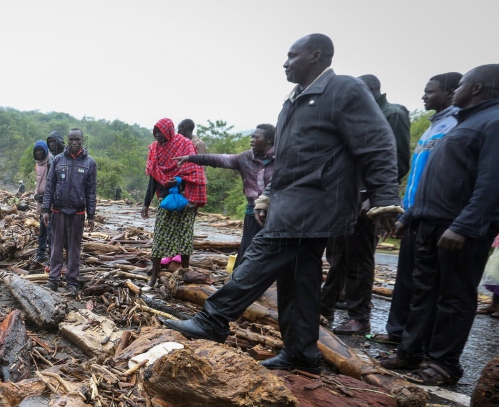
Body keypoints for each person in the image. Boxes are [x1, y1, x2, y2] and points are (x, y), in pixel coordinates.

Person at [166, 33, 400, 374]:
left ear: (316, 56)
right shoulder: (294, 102)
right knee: (299, 278)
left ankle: (213, 320)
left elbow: (377, 144)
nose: (285, 62)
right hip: (292, 199)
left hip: (315, 203)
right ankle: (302, 352)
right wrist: (268, 195)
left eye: (292, 56)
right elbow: (288, 161)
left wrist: (385, 199)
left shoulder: (344, 91)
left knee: (260, 257)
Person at [377, 64, 499, 384]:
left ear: (476, 88)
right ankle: (411, 352)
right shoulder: (463, 121)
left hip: (458, 226)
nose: (455, 89)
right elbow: (435, 178)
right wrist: (410, 215)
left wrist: (464, 226)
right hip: (429, 221)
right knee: (423, 292)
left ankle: (445, 364)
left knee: (454, 296)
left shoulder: (494, 121)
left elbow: (492, 183)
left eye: (462, 85)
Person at [371, 72, 463, 344]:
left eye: (430, 91)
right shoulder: (433, 126)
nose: (424, 96)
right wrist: (406, 211)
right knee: (408, 279)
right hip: (416, 210)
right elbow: (417, 175)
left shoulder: (458, 124)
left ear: (450, 93)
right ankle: (398, 333)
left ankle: (422, 345)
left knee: (433, 285)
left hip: (441, 213)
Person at [319, 75, 412, 335]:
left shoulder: (391, 113)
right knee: (337, 256)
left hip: (365, 199)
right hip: (345, 197)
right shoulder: (357, 116)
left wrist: (378, 196)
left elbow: (396, 160)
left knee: (358, 258)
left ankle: (360, 317)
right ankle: (324, 307)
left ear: (367, 91)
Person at [175, 124, 275, 269]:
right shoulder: (245, 158)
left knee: (273, 249)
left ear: (269, 140)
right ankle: (242, 281)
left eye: (256, 137)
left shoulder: (282, 160)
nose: (252, 139)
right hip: (253, 211)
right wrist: (191, 158)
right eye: (251, 136)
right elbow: (218, 159)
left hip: (277, 212)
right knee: (249, 248)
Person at [141, 119, 207, 285]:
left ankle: (184, 273)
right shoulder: (154, 149)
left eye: (160, 131)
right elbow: (153, 179)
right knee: (160, 237)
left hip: (185, 199)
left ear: (169, 131)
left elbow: (194, 172)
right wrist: (146, 204)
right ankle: (154, 278)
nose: (157, 135)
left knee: (184, 236)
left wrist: (178, 180)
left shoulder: (185, 145)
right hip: (165, 200)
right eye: (155, 131)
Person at [42, 128, 97, 294]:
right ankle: (53, 279)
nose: (74, 142)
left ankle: (72, 282)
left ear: (82, 141)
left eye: (77, 140)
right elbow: (50, 185)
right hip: (58, 211)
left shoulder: (90, 163)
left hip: (78, 213)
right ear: (67, 140)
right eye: (71, 139)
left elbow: (91, 190)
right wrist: (46, 209)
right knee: (55, 246)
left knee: (74, 249)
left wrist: (91, 215)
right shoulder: (58, 160)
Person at [32, 140, 53, 262]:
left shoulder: (51, 161)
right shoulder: (38, 164)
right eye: (37, 151)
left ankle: (52, 254)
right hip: (41, 202)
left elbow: (51, 184)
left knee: (50, 230)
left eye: (41, 150)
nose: (39, 153)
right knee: (43, 230)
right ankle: (41, 253)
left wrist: (46, 198)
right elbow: (38, 182)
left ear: (45, 151)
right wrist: (36, 194)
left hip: (49, 202)